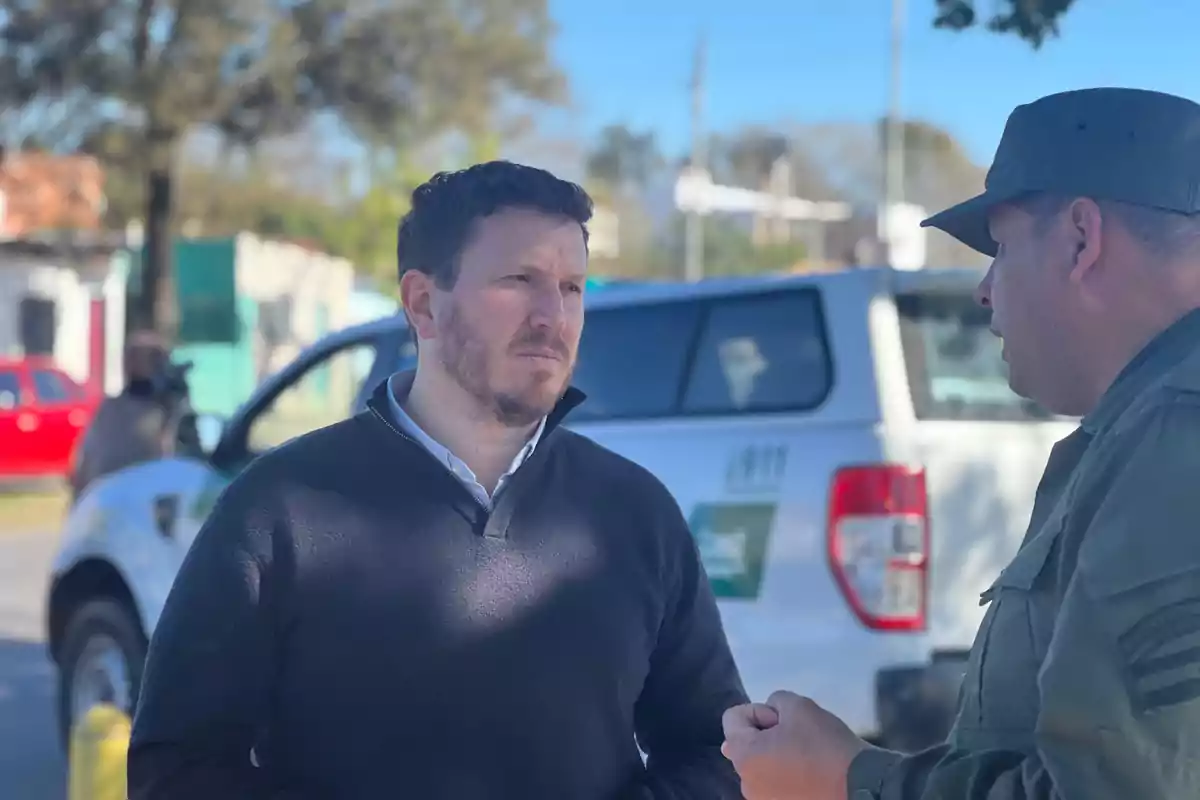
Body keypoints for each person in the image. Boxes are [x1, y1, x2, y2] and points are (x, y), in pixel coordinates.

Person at [127, 160, 748, 799]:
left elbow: (719, 752)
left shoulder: (633, 512)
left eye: (571, 288)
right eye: (520, 280)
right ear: (423, 303)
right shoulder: (280, 510)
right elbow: (176, 771)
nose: (551, 317)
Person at [721, 87, 1200, 800]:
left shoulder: (1175, 435)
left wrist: (848, 781)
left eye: (1001, 248)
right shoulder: (1151, 425)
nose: (984, 289)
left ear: (1080, 240)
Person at [70, 329, 178, 500]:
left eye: (148, 359)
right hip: (108, 506)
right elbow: (87, 461)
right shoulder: (110, 409)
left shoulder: (169, 412)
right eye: (132, 358)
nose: (132, 365)